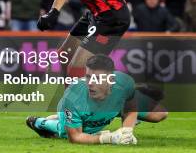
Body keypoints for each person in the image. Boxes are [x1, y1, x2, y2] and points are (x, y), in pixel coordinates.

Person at [26, 54, 167, 144]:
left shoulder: (124, 84)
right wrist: (109, 138)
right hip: (78, 109)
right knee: (68, 132)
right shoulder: (72, 98)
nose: (90, 83)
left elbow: (130, 108)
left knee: (160, 114)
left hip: (116, 102)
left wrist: (126, 131)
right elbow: (75, 137)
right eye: (88, 77)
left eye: (97, 78)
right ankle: (40, 122)